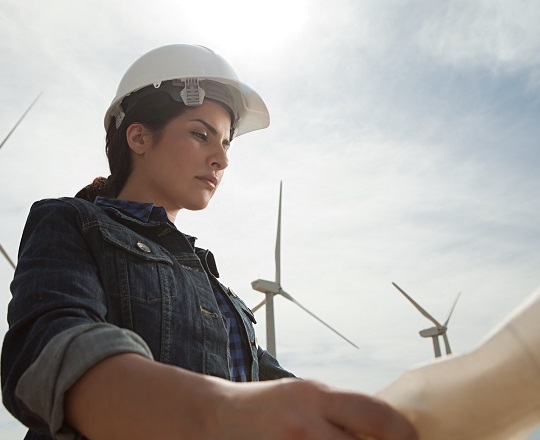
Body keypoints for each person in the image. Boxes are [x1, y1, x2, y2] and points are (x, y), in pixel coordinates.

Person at [1, 44, 418, 440]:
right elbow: (46, 350)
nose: (221, 158)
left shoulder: (225, 298)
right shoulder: (72, 221)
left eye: (226, 142)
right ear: (139, 137)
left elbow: (281, 398)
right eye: (201, 135)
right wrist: (219, 412)